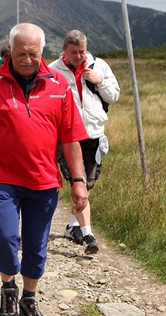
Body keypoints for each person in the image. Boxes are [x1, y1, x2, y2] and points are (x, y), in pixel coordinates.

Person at [0, 23, 90, 316]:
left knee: (36, 245)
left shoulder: (59, 85)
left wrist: (78, 180)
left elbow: (71, 138)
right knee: (6, 238)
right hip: (3, 180)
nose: (26, 59)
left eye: (33, 54)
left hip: (44, 181)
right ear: (10, 50)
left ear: (42, 51)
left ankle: (29, 298)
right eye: (20, 53)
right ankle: (8, 288)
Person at [48, 29, 120, 254]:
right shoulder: (53, 71)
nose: (79, 56)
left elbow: (114, 96)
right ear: (64, 50)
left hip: (95, 134)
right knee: (77, 182)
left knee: (87, 184)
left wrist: (99, 82)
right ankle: (88, 234)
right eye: (74, 52)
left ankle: (72, 225)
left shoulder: (100, 66)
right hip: (68, 137)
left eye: (82, 51)